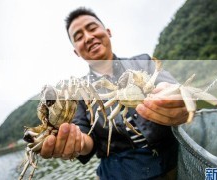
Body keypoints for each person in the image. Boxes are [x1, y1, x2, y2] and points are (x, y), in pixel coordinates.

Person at [40, 7, 188, 179]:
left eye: (92, 28)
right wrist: (75, 141)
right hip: (120, 172)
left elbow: (171, 86)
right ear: (76, 52)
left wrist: (177, 98)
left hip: (173, 159)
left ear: (108, 32)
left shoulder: (144, 62)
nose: (88, 37)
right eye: (79, 37)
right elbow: (86, 138)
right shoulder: (79, 92)